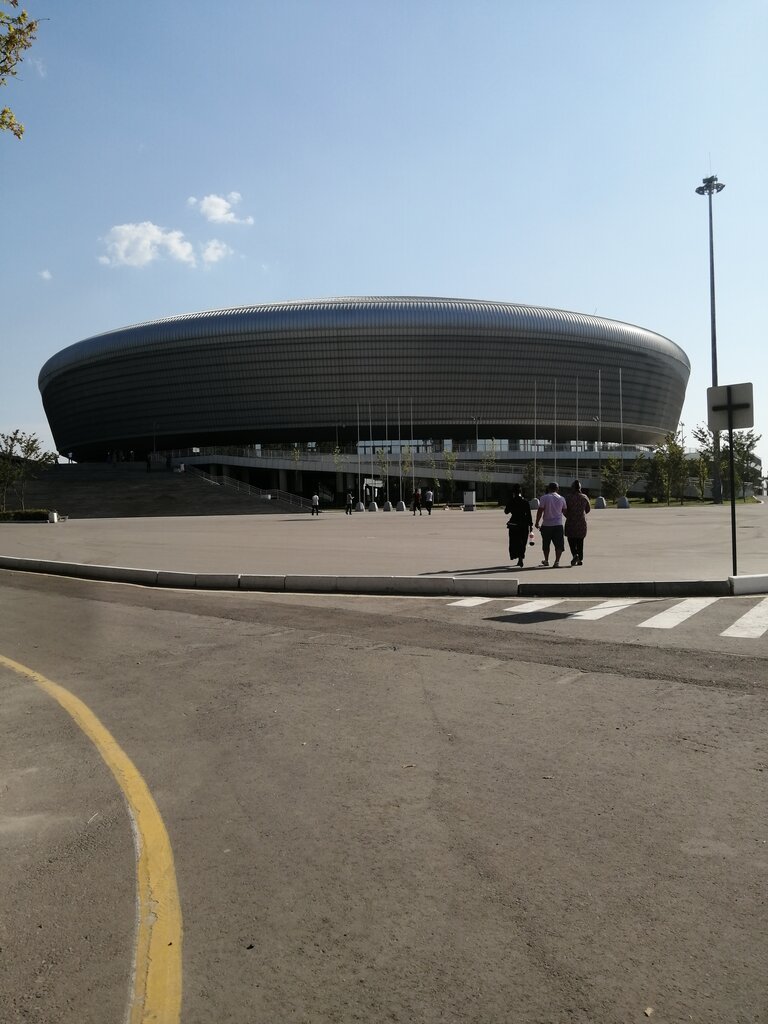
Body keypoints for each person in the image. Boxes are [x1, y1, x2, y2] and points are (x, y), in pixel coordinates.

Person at [534, 482, 567, 567]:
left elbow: (540, 510)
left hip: (546, 525)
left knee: (546, 543)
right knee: (559, 544)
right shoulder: (562, 498)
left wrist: (537, 522)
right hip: (558, 525)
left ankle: (546, 560)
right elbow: (565, 511)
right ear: (557, 489)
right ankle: (557, 562)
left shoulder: (544, 498)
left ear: (548, 488)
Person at [504, 484, 533, 568]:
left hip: (514, 524)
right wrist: (530, 525)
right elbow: (529, 514)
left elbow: (506, 511)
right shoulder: (525, 501)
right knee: (522, 542)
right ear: (521, 492)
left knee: (514, 542)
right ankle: (521, 558)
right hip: (524, 524)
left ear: (513, 492)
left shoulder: (511, 501)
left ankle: (516, 556)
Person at [564, 479, 591, 565]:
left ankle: (575, 554)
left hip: (571, 521)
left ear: (572, 488)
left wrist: (569, 515)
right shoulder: (584, 497)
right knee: (580, 541)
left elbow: (564, 510)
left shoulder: (568, 497)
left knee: (571, 540)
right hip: (581, 522)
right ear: (580, 487)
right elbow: (588, 509)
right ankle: (580, 559)